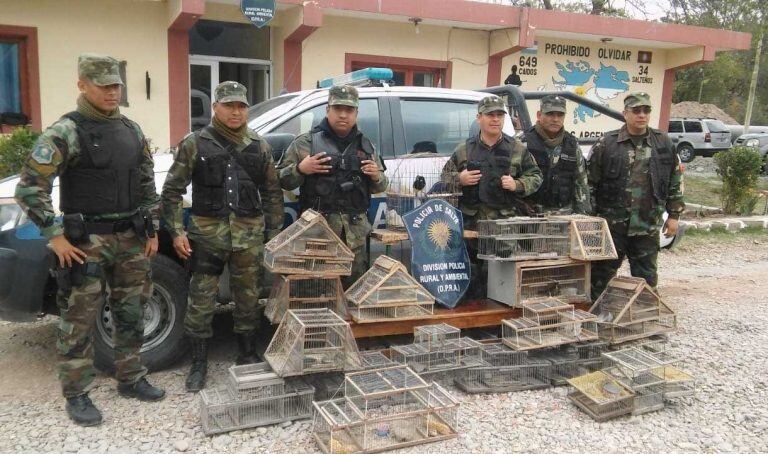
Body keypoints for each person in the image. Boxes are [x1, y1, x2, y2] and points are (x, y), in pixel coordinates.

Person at [14, 53, 165, 426]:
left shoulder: (130, 129)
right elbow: (30, 188)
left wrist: (152, 228)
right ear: (82, 85)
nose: (113, 92)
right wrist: (54, 235)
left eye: (116, 85)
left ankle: (130, 377)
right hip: (87, 243)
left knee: (131, 311)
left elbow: (147, 182)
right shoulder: (66, 132)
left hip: (131, 238)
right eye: (104, 86)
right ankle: (77, 393)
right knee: (78, 320)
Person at [161, 81, 283, 392]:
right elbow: (172, 191)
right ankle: (199, 362)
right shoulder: (195, 144)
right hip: (207, 235)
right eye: (229, 105)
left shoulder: (259, 146)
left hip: (249, 236)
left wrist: (273, 234)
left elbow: (272, 192)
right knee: (201, 299)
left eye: (241, 106)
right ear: (216, 107)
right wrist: (176, 232)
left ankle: (247, 351)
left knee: (248, 296)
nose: (235, 112)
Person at [277, 85, 388, 287]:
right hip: (318, 234)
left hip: (354, 236)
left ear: (356, 113)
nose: (343, 115)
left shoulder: (366, 145)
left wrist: (375, 176)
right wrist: (301, 169)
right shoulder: (305, 143)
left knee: (353, 291)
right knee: (315, 290)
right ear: (328, 110)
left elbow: (380, 186)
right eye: (338, 109)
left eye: (349, 110)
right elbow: (282, 180)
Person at [440, 95, 542, 298]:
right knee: (470, 278)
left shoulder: (517, 149)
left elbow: (536, 176)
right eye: (490, 115)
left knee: (503, 283)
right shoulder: (464, 150)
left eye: (499, 115)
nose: (495, 119)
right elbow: (444, 179)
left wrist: (517, 184)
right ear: (479, 118)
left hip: (504, 227)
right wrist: (459, 178)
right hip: (471, 227)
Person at [587, 92, 684, 301]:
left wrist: (674, 215)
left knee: (647, 279)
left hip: (647, 225)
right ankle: (594, 321)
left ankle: (647, 323)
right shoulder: (607, 143)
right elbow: (590, 184)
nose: (642, 115)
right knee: (600, 277)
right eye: (636, 111)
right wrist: (592, 220)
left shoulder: (663, 143)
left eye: (646, 110)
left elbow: (674, 179)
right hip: (612, 226)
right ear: (625, 113)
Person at [523, 95, 591, 214]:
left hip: (565, 216)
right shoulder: (523, 142)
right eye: (550, 114)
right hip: (531, 216)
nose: (555, 119)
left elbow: (581, 183)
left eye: (560, 115)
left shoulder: (572, 144)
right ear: (539, 115)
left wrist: (583, 217)